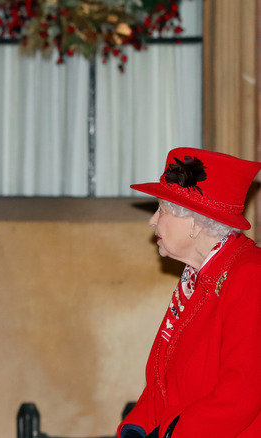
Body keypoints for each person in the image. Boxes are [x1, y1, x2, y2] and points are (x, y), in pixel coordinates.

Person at [118, 148, 261, 438]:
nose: (153, 220)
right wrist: (138, 426)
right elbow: (164, 380)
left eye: (162, 209)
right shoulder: (197, 274)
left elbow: (241, 393)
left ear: (196, 221)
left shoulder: (250, 274)